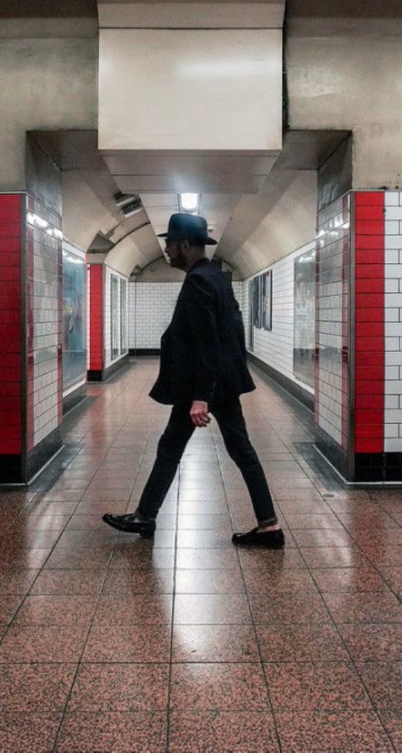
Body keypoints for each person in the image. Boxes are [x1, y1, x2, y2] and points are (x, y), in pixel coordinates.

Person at [103, 213, 283, 548]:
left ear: (185, 245)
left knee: (177, 448)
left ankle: (145, 515)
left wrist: (202, 396)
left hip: (203, 385)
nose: (167, 249)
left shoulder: (199, 281)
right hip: (219, 382)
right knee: (231, 450)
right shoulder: (214, 277)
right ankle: (268, 525)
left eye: (170, 243)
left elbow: (207, 341)